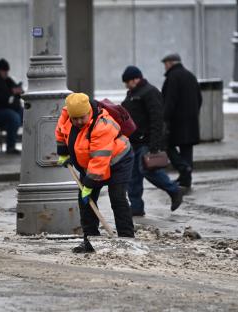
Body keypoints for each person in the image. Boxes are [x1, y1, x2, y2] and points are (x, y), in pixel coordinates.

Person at [56, 93, 135, 253]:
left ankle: (127, 241)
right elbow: (60, 132)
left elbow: (100, 159)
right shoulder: (67, 117)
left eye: (82, 118)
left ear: (89, 113)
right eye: (75, 118)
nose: (78, 122)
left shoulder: (101, 125)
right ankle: (90, 240)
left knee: (118, 198)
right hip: (92, 165)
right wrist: (63, 151)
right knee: (85, 202)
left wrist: (89, 184)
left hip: (118, 161)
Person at [120, 66, 183, 216]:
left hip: (146, 142)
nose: (126, 85)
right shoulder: (131, 94)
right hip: (133, 143)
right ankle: (136, 207)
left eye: (128, 82)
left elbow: (157, 120)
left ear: (136, 78)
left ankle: (174, 190)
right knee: (132, 177)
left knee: (148, 170)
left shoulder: (150, 92)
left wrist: (155, 145)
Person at [161, 53, 202, 190]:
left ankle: (184, 169)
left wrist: (164, 118)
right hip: (191, 121)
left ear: (171, 63)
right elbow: (199, 98)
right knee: (186, 150)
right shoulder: (190, 75)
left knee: (167, 146)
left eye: (166, 64)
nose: (165, 67)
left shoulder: (173, 77)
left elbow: (169, 101)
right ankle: (186, 179)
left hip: (176, 121)